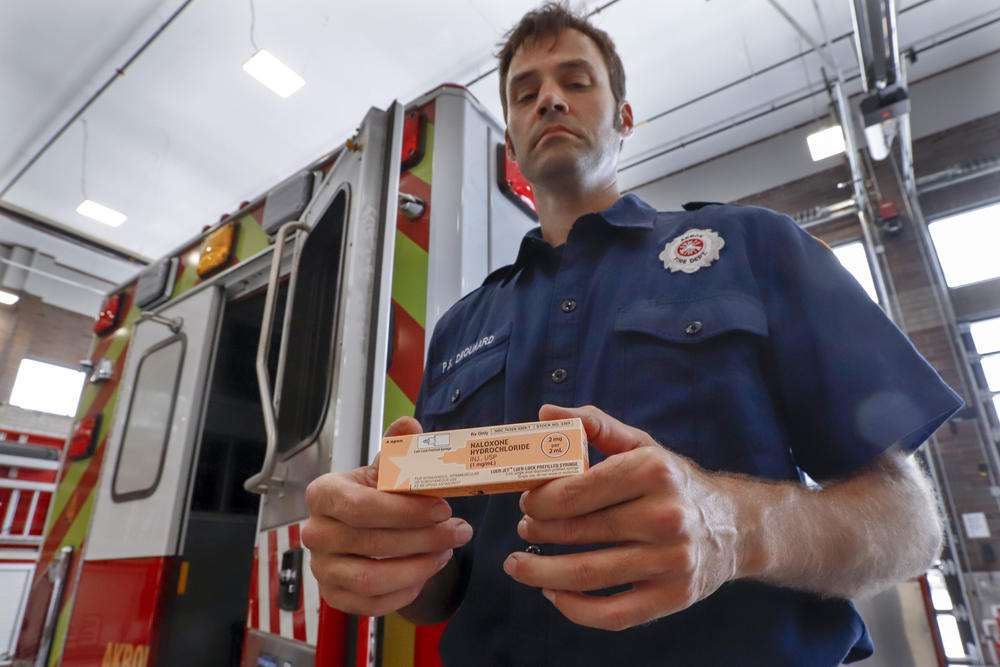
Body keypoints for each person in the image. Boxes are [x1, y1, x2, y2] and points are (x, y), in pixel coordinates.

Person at [302, 3, 962, 664]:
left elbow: (909, 525)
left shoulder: (754, 247)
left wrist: (730, 529)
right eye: (526, 93)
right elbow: (445, 582)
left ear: (623, 117)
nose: (550, 99)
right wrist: (388, 560)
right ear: (512, 142)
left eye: (576, 81)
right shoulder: (458, 328)